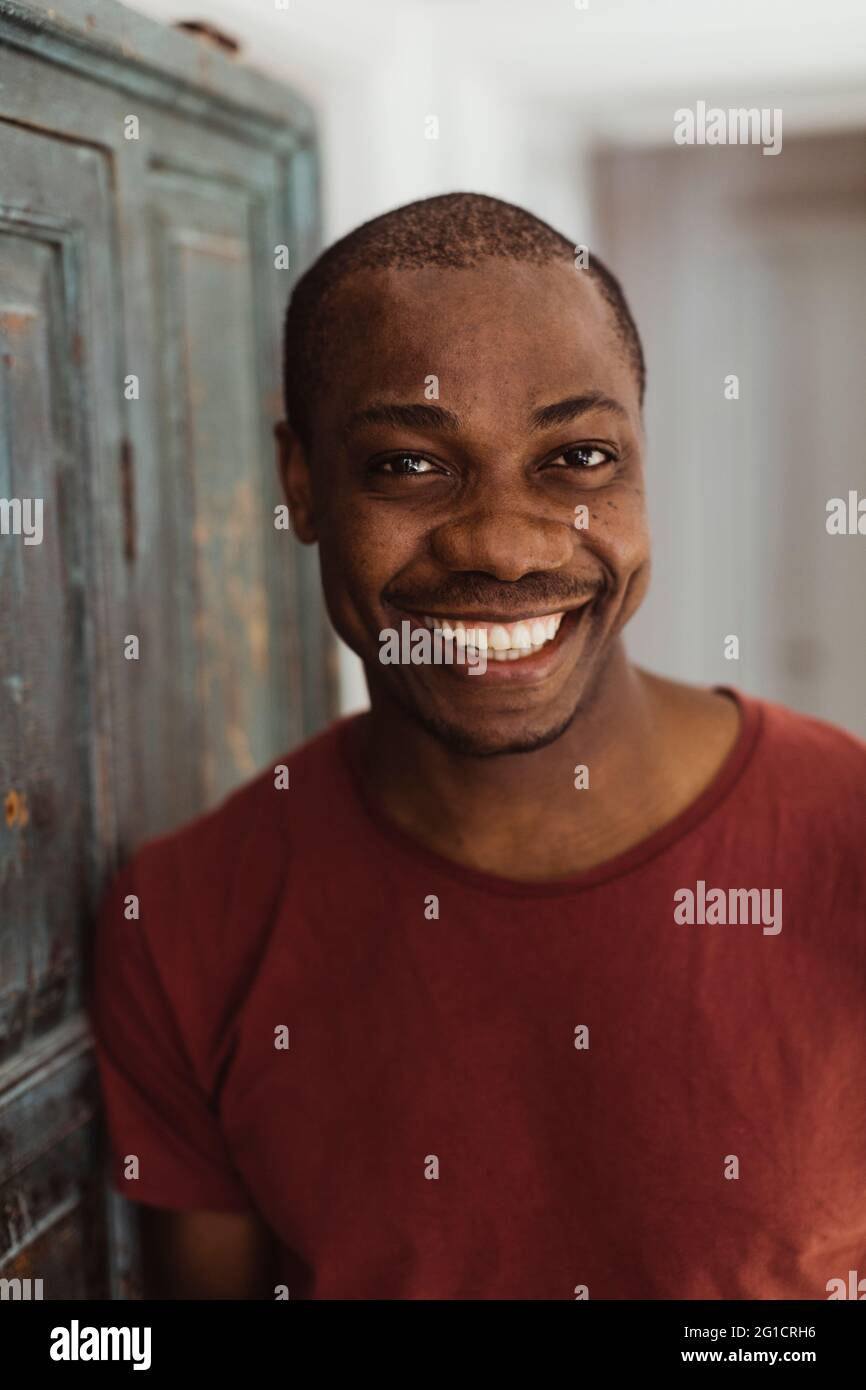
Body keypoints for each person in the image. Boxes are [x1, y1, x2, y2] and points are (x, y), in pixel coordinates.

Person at [87, 193, 866, 1300]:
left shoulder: (845, 840)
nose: (501, 546)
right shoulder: (181, 921)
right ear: (301, 484)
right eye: (409, 466)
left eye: (578, 456)